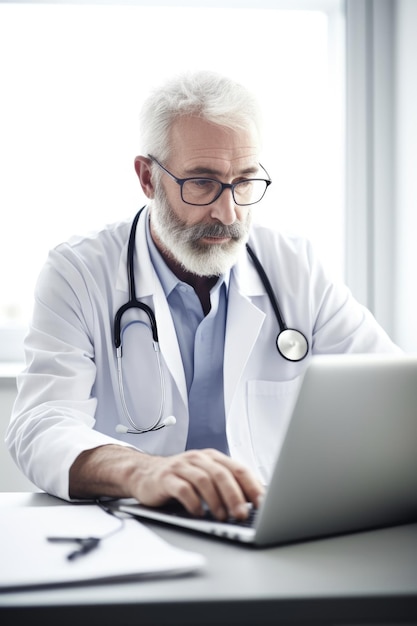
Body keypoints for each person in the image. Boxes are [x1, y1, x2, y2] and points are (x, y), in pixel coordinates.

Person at [6, 70, 400, 522]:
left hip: (264, 525)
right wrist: (144, 471)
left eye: (244, 182)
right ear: (147, 178)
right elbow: (41, 425)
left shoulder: (294, 267)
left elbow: (392, 400)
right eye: (202, 183)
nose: (227, 212)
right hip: (130, 524)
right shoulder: (78, 271)